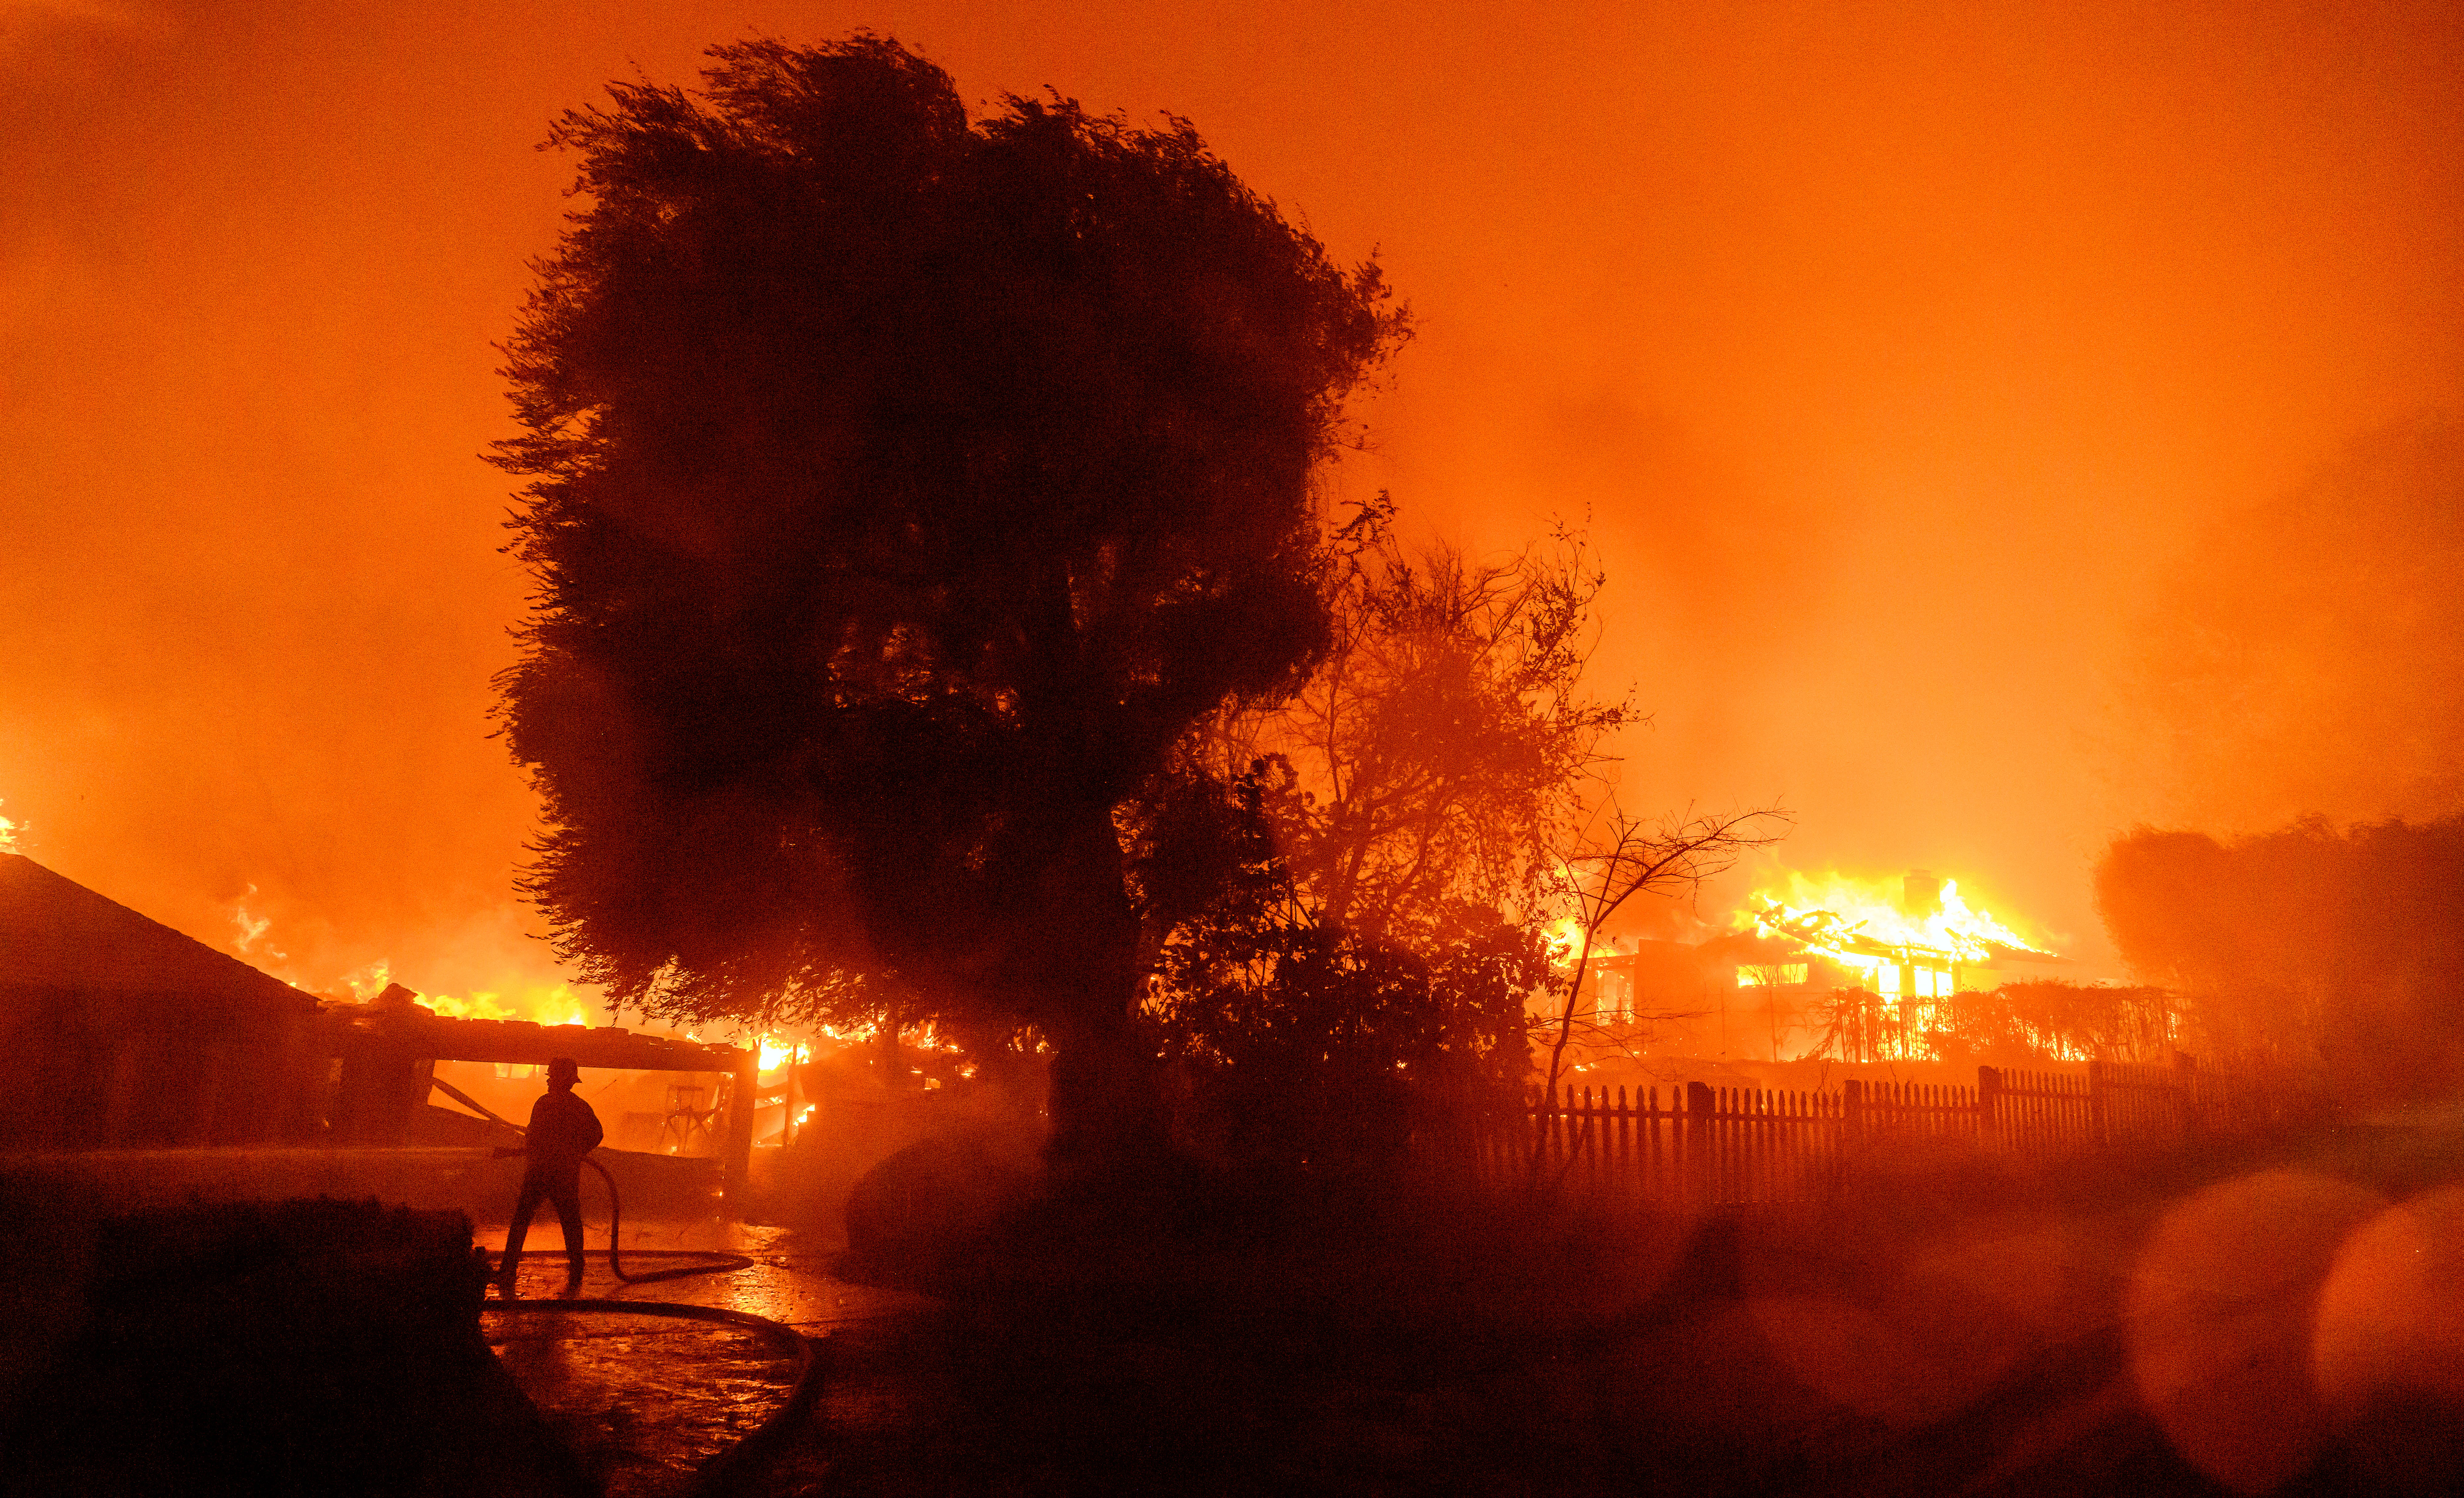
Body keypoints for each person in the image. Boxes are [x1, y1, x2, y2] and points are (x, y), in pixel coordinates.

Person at [494, 1056, 603, 1297]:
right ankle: (576, 1271)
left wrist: (522, 1153)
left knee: (522, 1221)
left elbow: (533, 1139)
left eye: (552, 1077)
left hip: (541, 1172)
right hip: (564, 1172)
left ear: (560, 1080)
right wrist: (576, 1152)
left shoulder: (544, 1104)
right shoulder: (580, 1106)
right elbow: (597, 1134)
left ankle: (509, 1270)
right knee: (571, 1222)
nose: (549, 1082)